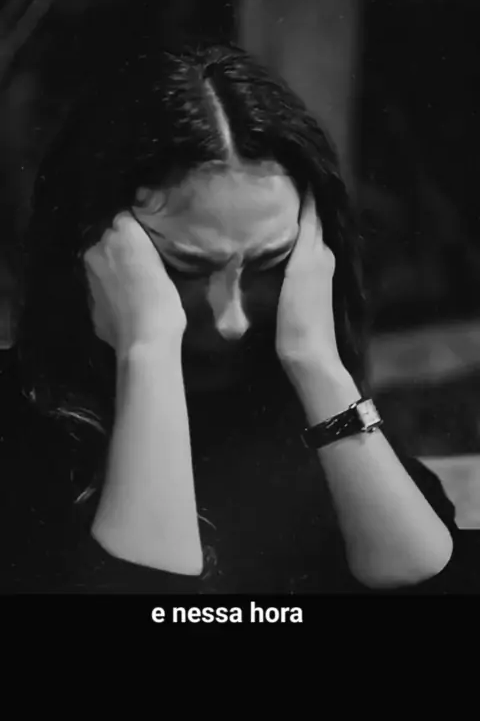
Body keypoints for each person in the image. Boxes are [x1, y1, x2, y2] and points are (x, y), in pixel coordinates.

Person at [0, 42, 473, 595]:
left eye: (270, 264)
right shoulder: (18, 435)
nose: (232, 321)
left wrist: (319, 366)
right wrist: (148, 352)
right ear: (92, 253)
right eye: (184, 268)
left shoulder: (308, 423)